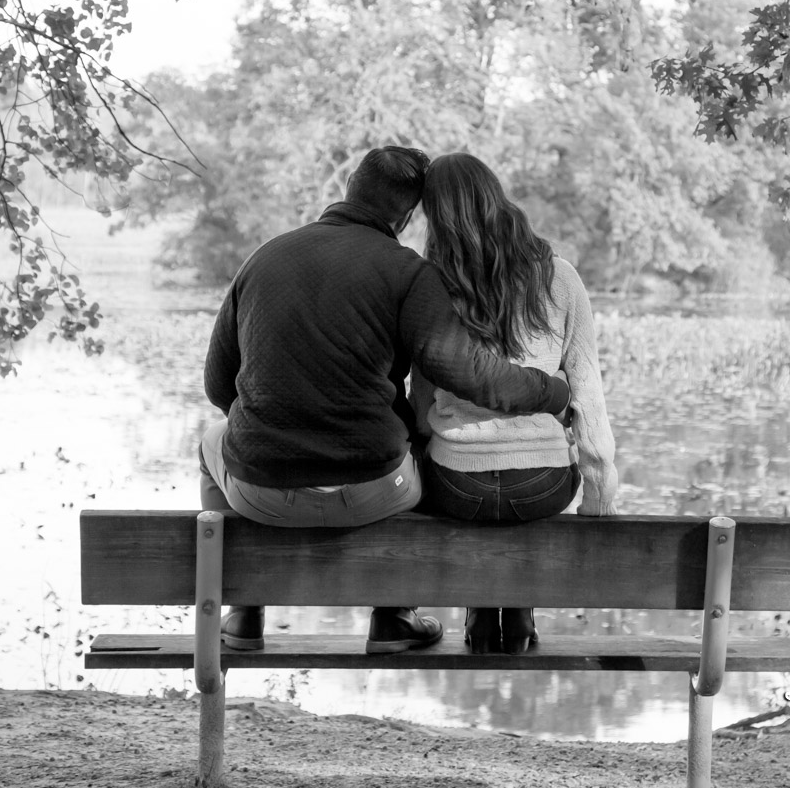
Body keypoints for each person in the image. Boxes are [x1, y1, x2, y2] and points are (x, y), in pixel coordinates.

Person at [200, 146, 571, 654]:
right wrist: (551, 391)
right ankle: (394, 617)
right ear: (407, 216)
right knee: (423, 449)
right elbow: (468, 372)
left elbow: (218, 386)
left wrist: (280, 431)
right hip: (376, 491)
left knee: (211, 441)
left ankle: (244, 611)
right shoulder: (408, 272)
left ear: (351, 187)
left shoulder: (264, 258)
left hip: (262, 493)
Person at [409, 152, 618, 654]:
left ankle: (482, 609)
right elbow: (587, 393)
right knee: (513, 495)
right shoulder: (560, 278)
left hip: (457, 485)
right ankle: (519, 607)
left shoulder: (431, 284)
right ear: (496, 196)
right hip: (543, 483)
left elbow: (420, 401)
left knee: (469, 487)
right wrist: (598, 499)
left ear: (436, 217)